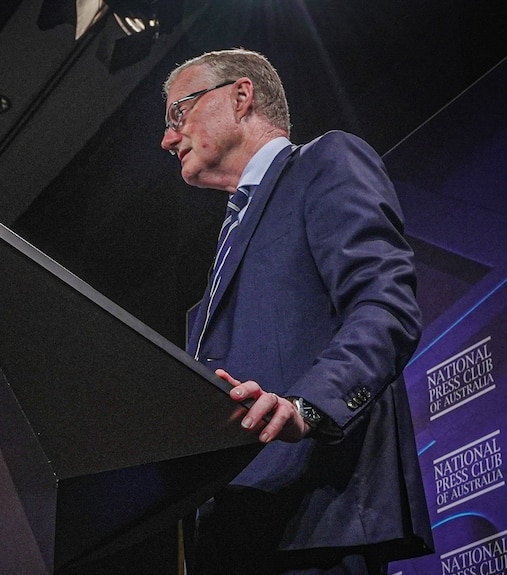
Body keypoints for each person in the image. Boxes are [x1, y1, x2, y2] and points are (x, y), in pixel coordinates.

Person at [160, 49, 433, 574]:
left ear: (241, 97)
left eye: (179, 113)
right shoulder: (223, 253)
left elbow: (386, 305)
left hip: (311, 519)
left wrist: (308, 407)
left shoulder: (325, 163)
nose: (168, 139)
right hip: (230, 541)